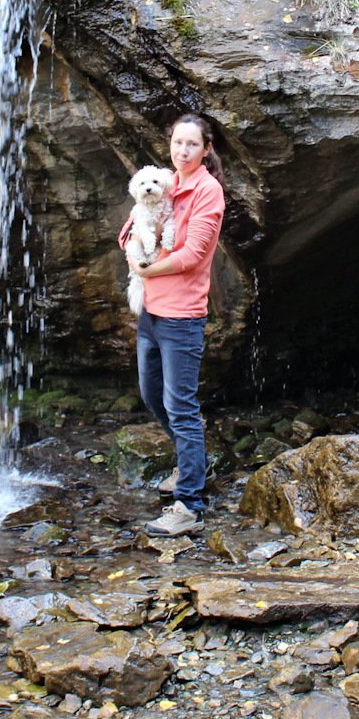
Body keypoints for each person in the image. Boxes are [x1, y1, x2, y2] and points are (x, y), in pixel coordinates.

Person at [119, 113, 226, 536]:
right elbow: (128, 230)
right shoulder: (164, 180)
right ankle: (192, 464)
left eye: (192, 145)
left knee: (181, 407)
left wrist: (146, 270)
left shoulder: (207, 191)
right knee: (152, 396)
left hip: (182, 315)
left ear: (206, 149)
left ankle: (190, 506)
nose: (183, 151)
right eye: (177, 143)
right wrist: (132, 254)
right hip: (150, 312)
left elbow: (194, 255)